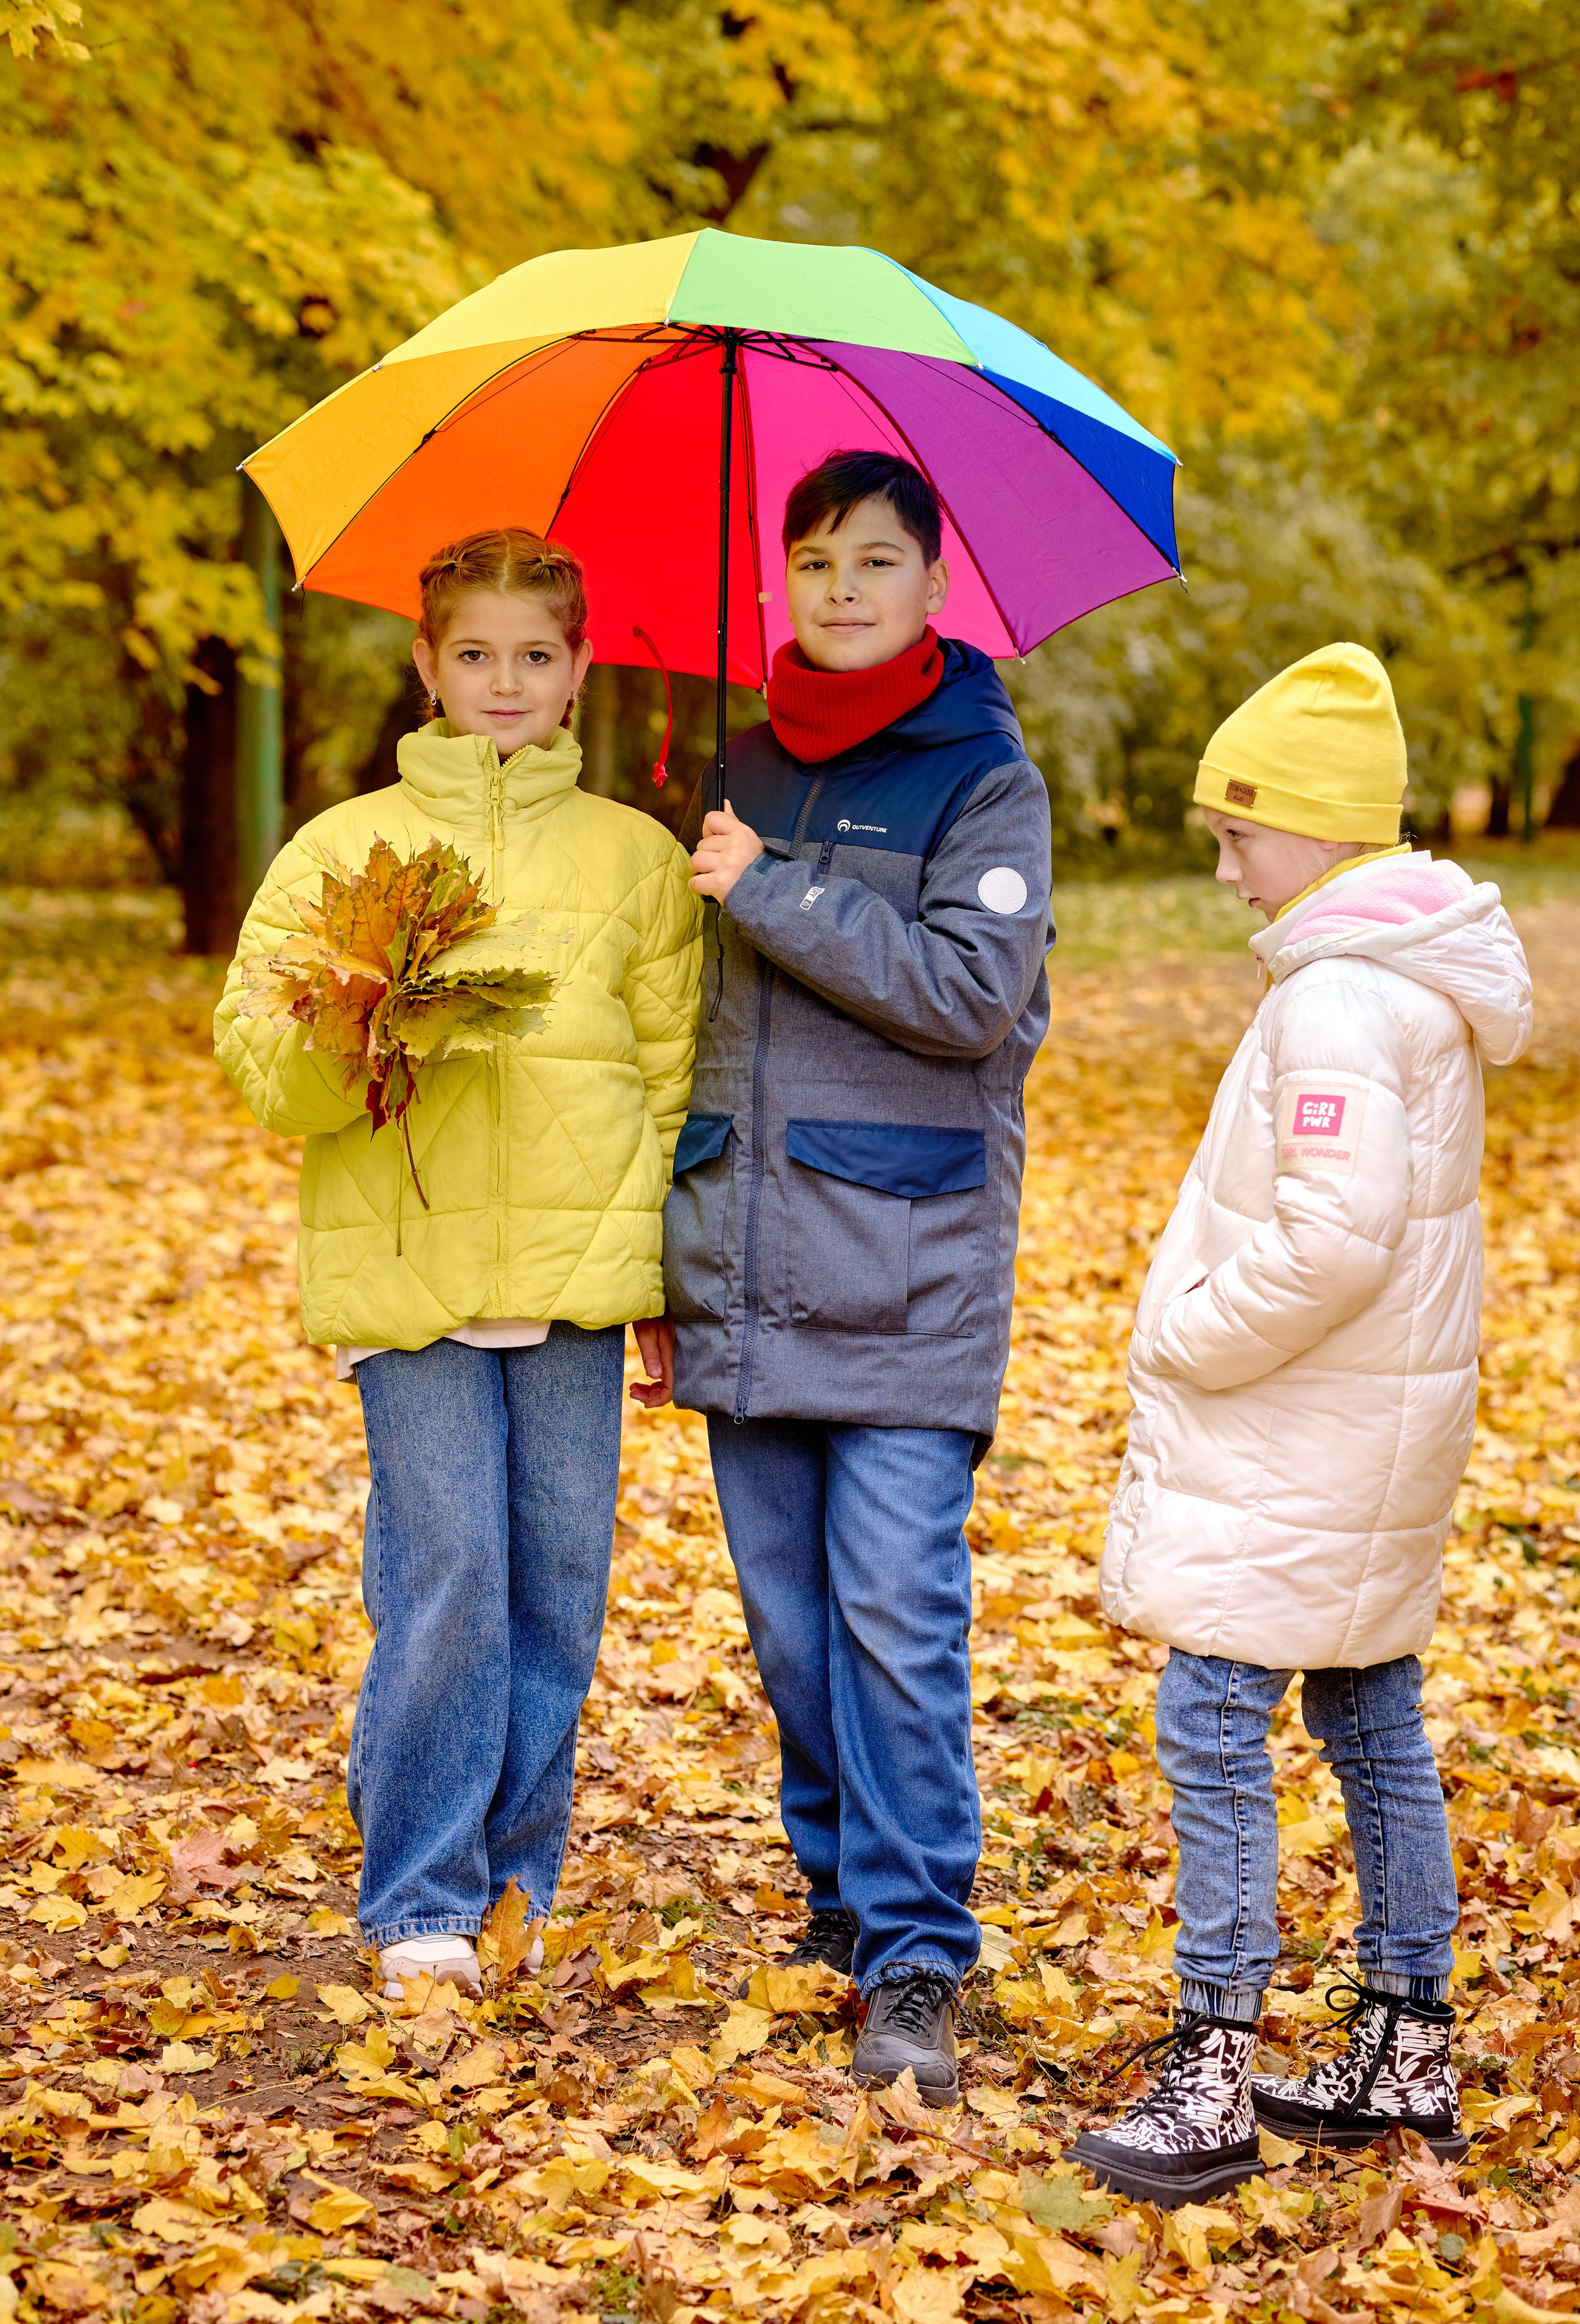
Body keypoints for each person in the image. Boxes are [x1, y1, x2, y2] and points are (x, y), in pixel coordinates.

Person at [1071, 643, 1532, 2206]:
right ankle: (1405, 2040)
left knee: (1210, 1717)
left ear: (1321, 830)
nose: (1222, 867)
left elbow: (1331, 1239)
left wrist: (1185, 1336)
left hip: (1297, 1432)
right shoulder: (1404, 978)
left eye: (1237, 833)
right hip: (1367, 1428)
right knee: (1365, 1711)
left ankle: (1209, 2066)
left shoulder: (1337, 994)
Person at [216, 529, 700, 2001]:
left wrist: (670, 1277)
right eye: (475, 654)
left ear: (579, 670)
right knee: (447, 1578)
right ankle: (417, 1888)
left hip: (574, 1278)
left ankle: (508, 1883)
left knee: (553, 1590)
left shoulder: (635, 857)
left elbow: (676, 1083)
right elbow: (259, 1060)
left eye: (534, 656)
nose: (505, 681)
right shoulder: (343, 851)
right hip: (408, 1272)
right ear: (426, 663)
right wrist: (358, 1033)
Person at [662, 449, 1054, 2105]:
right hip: (746, 1261)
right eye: (813, 560)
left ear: (934, 585)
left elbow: (969, 995)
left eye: (874, 560)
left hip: (906, 1269)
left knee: (894, 1617)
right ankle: (838, 1891)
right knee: (792, 1628)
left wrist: (770, 886)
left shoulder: (985, 779)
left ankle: (914, 1951)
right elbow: (691, 1021)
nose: (840, 589)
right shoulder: (737, 758)